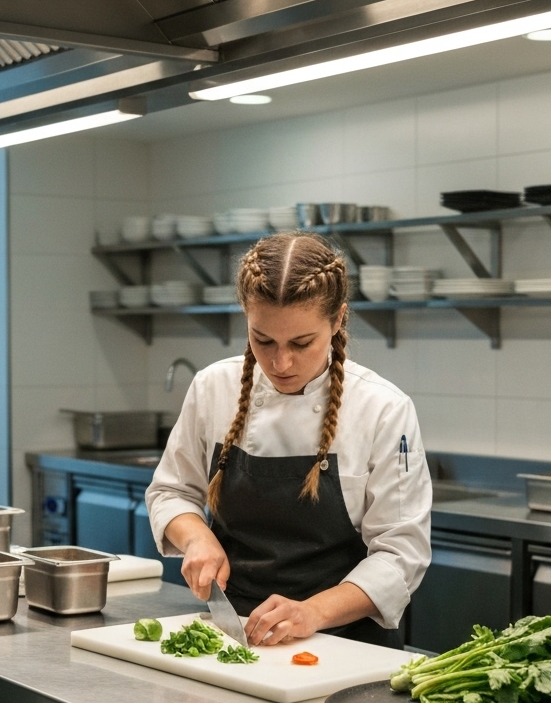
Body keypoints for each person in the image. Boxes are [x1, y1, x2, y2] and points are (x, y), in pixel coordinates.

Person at [145, 232, 432, 649]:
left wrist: (312, 612)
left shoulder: (384, 409)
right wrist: (196, 537)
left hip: (345, 643)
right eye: (262, 340)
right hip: (232, 635)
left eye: (301, 343)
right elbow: (170, 492)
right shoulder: (213, 388)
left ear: (337, 321)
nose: (281, 363)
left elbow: (401, 554)